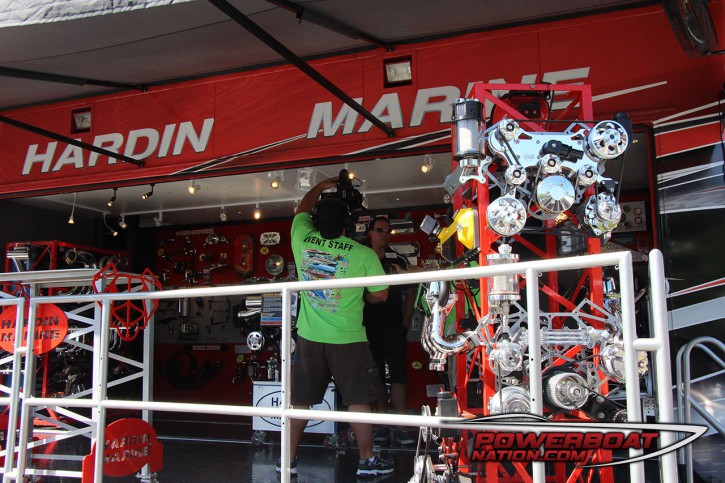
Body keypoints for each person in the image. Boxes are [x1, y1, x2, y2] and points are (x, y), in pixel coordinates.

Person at [278, 175, 394, 478]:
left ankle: (288, 460)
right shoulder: (364, 254)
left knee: (299, 402)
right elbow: (381, 295)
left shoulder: (301, 238)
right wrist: (361, 294)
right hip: (348, 339)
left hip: (309, 338)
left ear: (317, 221)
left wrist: (319, 187)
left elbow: (301, 211)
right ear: (348, 225)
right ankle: (367, 461)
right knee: (358, 400)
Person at [363, 216, 417, 446]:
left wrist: (406, 321)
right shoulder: (360, 257)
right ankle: (382, 425)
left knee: (398, 376)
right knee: (374, 376)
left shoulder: (398, 259)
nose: (384, 234)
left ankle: (401, 426)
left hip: (395, 326)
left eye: (388, 231)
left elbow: (411, 291)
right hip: (367, 328)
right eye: (380, 230)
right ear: (370, 233)